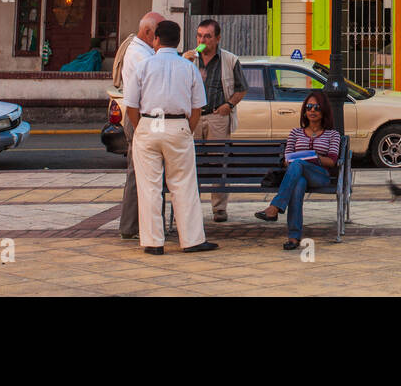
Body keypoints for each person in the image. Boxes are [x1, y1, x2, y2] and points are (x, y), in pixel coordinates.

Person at [126, 19, 217, 255]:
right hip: (178, 125)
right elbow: (197, 108)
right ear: (177, 41)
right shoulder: (188, 68)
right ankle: (192, 240)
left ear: (156, 39)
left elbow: (131, 106)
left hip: (148, 123)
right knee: (184, 184)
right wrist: (186, 128)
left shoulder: (144, 65)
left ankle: (153, 242)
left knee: (149, 187)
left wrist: (140, 128)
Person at [254, 89, 340, 250]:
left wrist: (313, 157)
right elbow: (287, 160)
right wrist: (297, 160)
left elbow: (332, 161)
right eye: (308, 107)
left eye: (316, 107)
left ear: (324, 110)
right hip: (297, 173)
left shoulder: (332, 134)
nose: (312, 111)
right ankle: (293, 237)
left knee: (298, 163)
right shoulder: (295, 133)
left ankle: (275, 207)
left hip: (319, 175)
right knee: (298, 182)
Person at [184, 18, 247, 222]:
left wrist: (228, 105)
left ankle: (219, 208)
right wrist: (183, 62)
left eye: (208, 36)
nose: (203, 40)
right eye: (200, 36)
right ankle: (190, 206)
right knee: (191, 162)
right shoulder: (189, 59)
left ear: (217, 38)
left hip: (216, 115)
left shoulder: (229, 60)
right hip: (193, 115)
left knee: (218, 161)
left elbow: (242, 88)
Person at [114, 12, 163, 240]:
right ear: (148, 33)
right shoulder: (138, 54)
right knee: (137, 173)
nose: (160, 40)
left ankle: (140, 224)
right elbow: (155, 78)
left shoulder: (145, 51)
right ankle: (130, 226)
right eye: (158, 35)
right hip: (139, 118)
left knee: (146, 173)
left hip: (145, 118)